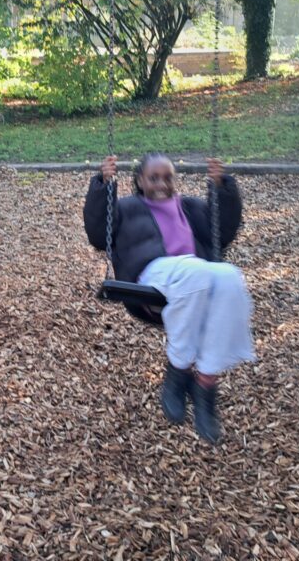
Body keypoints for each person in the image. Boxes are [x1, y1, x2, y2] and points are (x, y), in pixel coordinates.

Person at [83, 153, 255, 444]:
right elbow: (99, 235)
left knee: (229, 278)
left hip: (195, 276)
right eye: (154, 178)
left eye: (168, 178)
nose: (162, 184)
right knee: (197, 272)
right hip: (152, 276)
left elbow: (223, 232)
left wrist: (221, 188)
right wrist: (103, 185)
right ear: (140, 181)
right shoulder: (127, 208)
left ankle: (205, 384)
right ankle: (178, 367)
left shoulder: (190, 207)